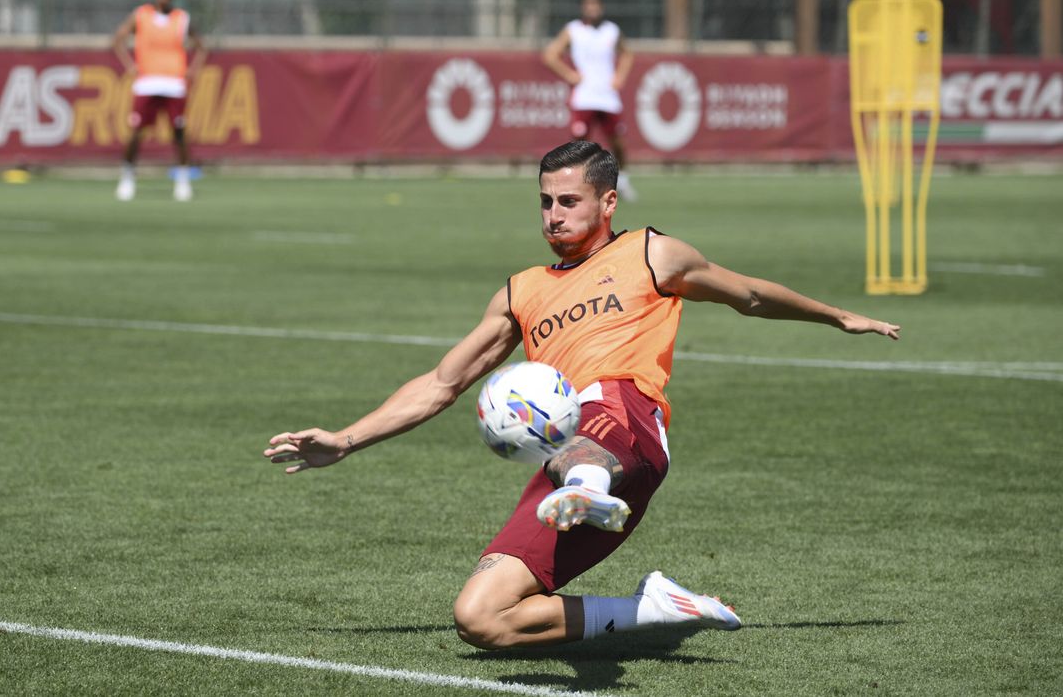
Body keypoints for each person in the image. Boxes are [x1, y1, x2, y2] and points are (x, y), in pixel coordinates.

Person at [263, 140, 900, 650]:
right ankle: (652, 609)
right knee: (480, 618)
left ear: (609, 202)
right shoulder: (521, 291)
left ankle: (588, 490)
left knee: (585, 419)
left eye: (568, 200)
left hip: (627, 422)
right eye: (544, 202)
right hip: (563, 455)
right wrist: (345, 440)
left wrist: (839, 316)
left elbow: (751, 295)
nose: (553, 215)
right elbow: (440, 384)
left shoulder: (651, 254)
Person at [112, 0, 207, 202]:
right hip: (147, 82)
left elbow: (201, 46)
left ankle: (182, 181)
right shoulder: (141, 15)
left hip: (174, 83)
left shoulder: (181, 18)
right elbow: (118, 38)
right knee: (136, 132)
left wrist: (193, 70)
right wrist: (130, 66)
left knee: (179, 134)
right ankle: (127, 178)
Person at [543, 0, 638, 201]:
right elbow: (550, 54)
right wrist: (569, 74)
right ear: (583, 8)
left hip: (607, 96)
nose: (592, 9)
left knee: (617, 142)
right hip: (585, 95)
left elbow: (627, 53)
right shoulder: (573, 30)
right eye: (589, 5)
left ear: (601, 8)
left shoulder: (611, 30)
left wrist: (620, 76)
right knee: (579, 143)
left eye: (596, 5)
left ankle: (623, 181)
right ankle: (576, 185)